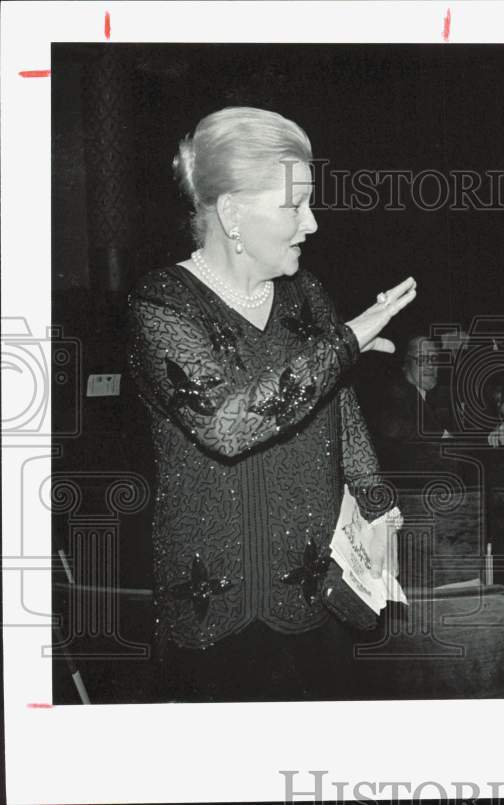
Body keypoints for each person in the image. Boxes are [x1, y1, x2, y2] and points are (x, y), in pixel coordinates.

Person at [127, 106, 416, 702]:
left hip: (317, 593)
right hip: (216, 614)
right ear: (232, 211)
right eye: (294, 205)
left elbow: (342, 415)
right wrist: (347, 341)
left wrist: (376, 502)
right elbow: (226, 424)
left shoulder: (307, 295)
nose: (310, 223)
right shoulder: (162, 305)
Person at [371, 336, 461, 482]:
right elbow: (392, 426)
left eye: (434, 359)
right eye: (422, 359)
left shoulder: (432, 396)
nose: (431, 365)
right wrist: (440, 434)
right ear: (407, 363)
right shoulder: (395, 392)